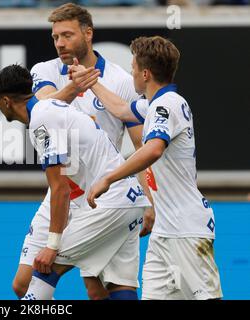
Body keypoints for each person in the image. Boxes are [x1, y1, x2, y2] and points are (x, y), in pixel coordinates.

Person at [13, 2, 155, 300]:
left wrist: (150, 200)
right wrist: (76, 85)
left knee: (101, 288)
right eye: (55, 37)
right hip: (62, 189)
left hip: (102, 192)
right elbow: (44, 105)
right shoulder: (45, 70)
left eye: (67, 35)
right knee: (23, 284)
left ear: (88, 34)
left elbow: (141, 145)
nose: (60, 44)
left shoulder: (119, 80)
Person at [0, 64, 150, 300]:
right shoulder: (53, 108)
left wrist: (52, 244)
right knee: (120, 288)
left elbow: (60, 188)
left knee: (45, 269)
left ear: (5, 101)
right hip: (130, 200)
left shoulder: (41, 121)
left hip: (112, 202)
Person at [84, 36, 223, 300]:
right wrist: (91, 82)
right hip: (164, 233)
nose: (131, 72)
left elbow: (154, 149)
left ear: (145, 73)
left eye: (133, 67)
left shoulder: (166, 105)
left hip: (186, 230)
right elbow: (122, 109)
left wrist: (109, 178)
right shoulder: (155, 104)